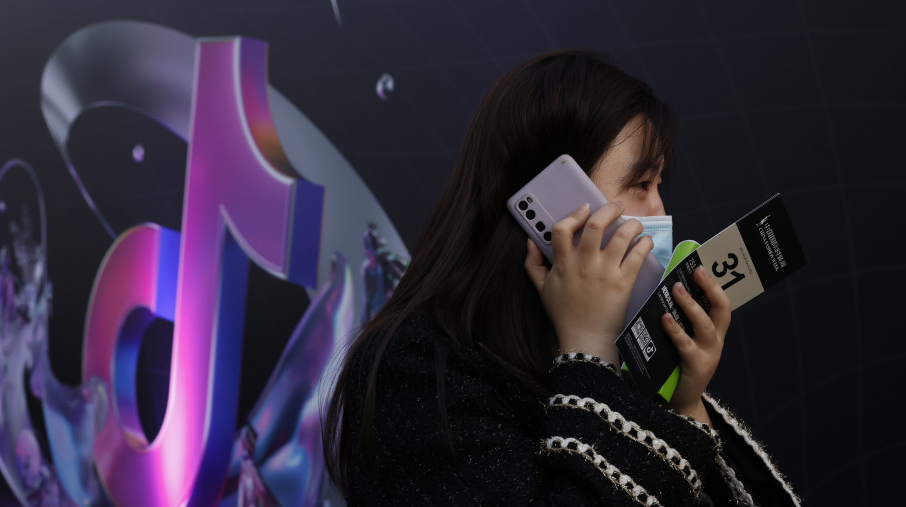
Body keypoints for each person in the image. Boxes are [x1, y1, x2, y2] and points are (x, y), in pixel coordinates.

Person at [322, 49, 799, 506]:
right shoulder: (419, 368)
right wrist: (588, 347)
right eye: (639, 185)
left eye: (658, 185)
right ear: (552, 207)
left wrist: (684, 402)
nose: (659, 209)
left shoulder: (627, 367)